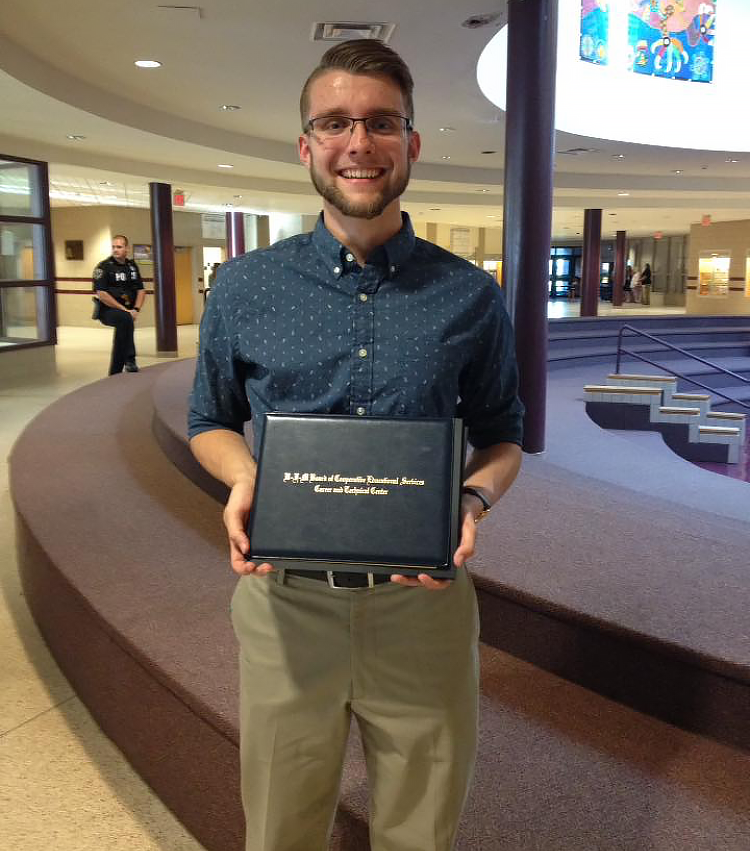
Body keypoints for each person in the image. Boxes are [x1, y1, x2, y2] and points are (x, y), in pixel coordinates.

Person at [188, 38, 524, 851]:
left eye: (380, 123)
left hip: (424, 607)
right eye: (335, 123)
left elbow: (503, 435)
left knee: (421, 824)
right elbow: (209, 421)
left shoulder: (471, 295)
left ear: (411, 143)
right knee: (280, 825)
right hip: (285, 604)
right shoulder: (244, 285)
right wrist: (242, 477)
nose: (358, 143)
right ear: (308, 146)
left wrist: (472, 498)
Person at [92, 235, 145, 374]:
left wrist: (136, 309)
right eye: (114, 247)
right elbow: (102, 294)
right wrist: (125, 310)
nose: (115, 250)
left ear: (126, 249)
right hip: (108, 310)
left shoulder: (132, 267)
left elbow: (141, 290)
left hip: (128, 310)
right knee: (125, 319)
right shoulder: (103, 267)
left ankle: (129, 360)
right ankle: (116, 369)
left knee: (126, 322)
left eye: (119, 247)